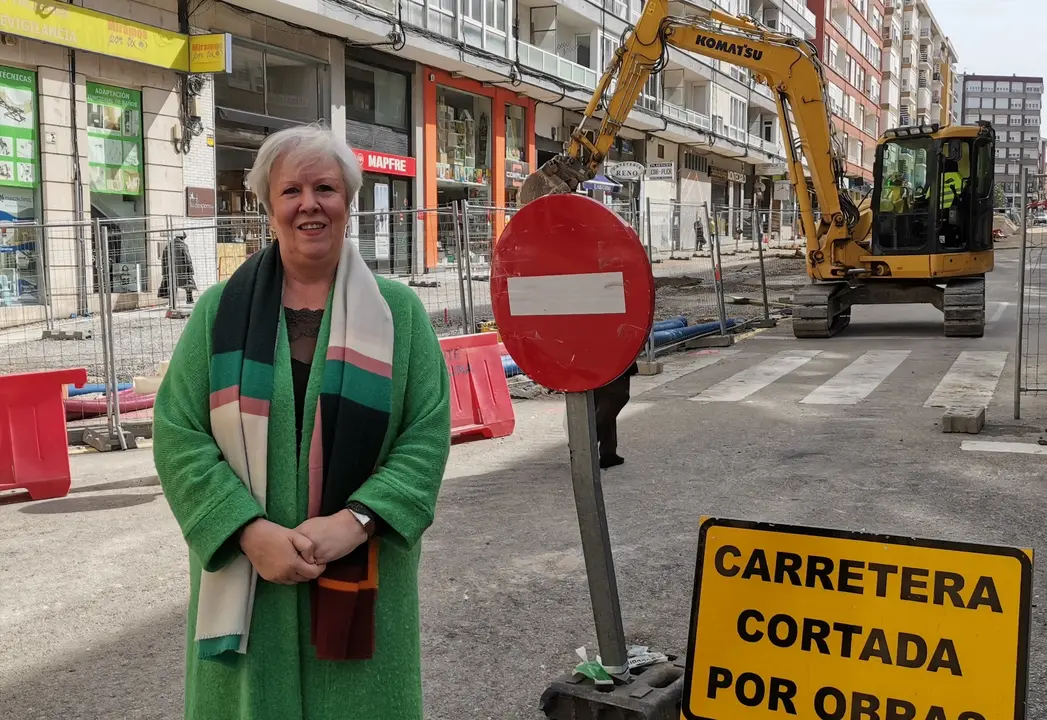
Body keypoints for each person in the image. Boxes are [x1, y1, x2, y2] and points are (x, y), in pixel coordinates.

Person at [152, 122, 452, 720]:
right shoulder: (218, 314)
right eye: (292, 191)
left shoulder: (400, 315)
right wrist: (245, 531)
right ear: (268, 206)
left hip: (364, 577)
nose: (309, 205)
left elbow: (426, 434)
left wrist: (360, 519)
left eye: (325, 189)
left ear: (349, 202)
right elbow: (178, 434)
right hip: (249, 578)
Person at [593, 360, 638, 469]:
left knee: (606, 404)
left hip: (600, 364)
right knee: (613, 399)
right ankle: (584, 445)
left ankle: (608, 453)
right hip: (612, 362)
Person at [157, 231, 198, 304]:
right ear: (183, 237)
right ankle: (189, 299)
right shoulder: (183, 246)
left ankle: (172, 302)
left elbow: (164, 260)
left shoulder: (168, 246)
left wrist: (164, 272)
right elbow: (187, 259)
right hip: (182, 270)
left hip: (170, 271)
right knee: (188, 285)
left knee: (172, 286)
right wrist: (191, 270)